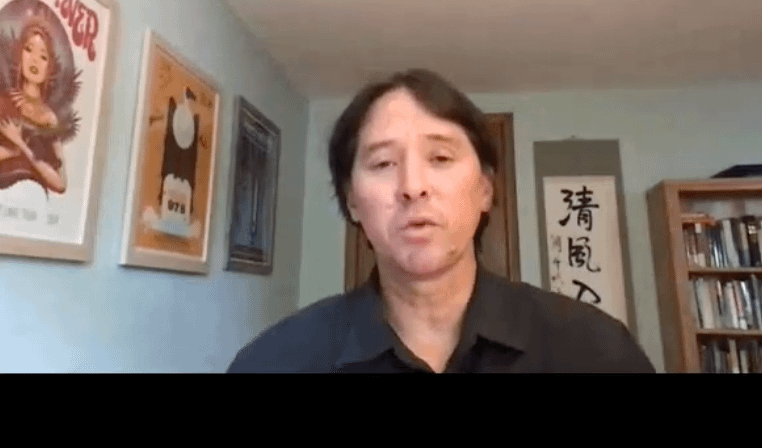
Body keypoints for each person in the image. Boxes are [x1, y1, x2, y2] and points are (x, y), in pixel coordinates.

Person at [228, 68, 655, 373]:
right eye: (383, 163)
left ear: (485, 189)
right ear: (352, 201)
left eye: (441, 158)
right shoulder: (275, 361)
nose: (413, 187)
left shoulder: (594, 350)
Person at [0, 17, 69, 195]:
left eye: (43, 56)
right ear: (20, 54)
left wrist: (21, 145)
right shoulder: (4, 101)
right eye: (29, 49)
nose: (34, 60)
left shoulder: (49, 118)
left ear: (49, 67)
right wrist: (12, 150)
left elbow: (60, 183)